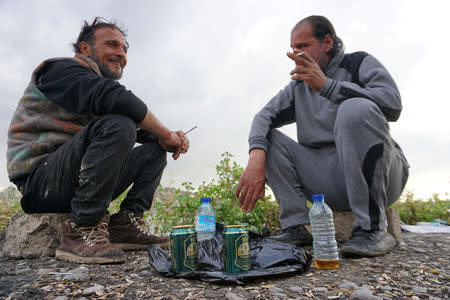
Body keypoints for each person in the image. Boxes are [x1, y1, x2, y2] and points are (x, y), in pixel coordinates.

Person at [6, 17, 190, 264]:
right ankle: (82, 229)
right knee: (120, 124)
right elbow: (116, 100)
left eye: (124, 49)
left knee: (154, 148)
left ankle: (126, 223)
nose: (121, 54)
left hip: (77, 177)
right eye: (112, 45)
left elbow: (141, 128)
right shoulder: (59, 71)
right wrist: (164, 132)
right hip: (40, 182)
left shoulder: (99, 93)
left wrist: (169, 138)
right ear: (84, 48)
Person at [235, 15, 409, 258]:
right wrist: (256, 157)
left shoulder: (358, 63)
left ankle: (372, 229)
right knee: (267, 138)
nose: (296, 53)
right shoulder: (299, 86)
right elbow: (263, 116)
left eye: (302, 46)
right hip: (328, 185)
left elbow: (393, 104)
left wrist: (328, 86)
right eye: (293, 48)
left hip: (384, 177)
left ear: (327, 42)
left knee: (354, 108)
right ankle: (296, 227)